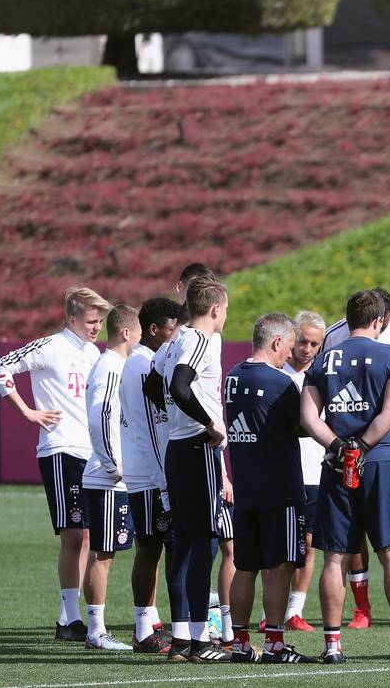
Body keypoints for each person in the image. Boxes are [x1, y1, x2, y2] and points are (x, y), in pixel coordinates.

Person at [301, 290, 390, 664]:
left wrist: (341, 447)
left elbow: (309, 418)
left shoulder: (324, 359)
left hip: (336, 462)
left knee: (334, 557)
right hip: (378, 461)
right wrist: (360, 446)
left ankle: (332, 645)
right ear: (379, 321)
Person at [0, 286, 109, 642]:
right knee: (74, 534)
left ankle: (68, 620)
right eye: (90, 320)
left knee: (87, 534)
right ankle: (69, 618)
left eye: (101, 320)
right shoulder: (51, 346)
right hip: (61, 449)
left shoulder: (95, 353)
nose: (96, 327)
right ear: (71, 318)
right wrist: (27, 411)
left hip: (91, 453)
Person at [224, 313, 315, 664]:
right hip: (281, 489)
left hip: (247, 487)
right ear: (277, 343)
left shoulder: (233, 376)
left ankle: (240, 643)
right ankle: (275, 643)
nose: (291, 355)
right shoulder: (279, 382)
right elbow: (305, 425)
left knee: (245, 565)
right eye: (290, 347)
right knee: (280, 565)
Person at [156, 275, 231, 662]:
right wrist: (208, 424)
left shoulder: (174, 342)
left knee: (185, 543)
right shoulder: (200, 340)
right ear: (216, 309)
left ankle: (182, 640)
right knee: (205, 543)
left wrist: (171, 421)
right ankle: (201, 641)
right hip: (198, 448)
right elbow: (180, 388)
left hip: (175, 449)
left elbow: (155, 384)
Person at [120, 296, 182, 653]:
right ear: (154, 329)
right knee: (157, 547)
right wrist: (163, 484)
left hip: (155, 473)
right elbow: (146, 431)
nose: (174, 338)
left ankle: (155, 627)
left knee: (161, 547)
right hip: (152, 476)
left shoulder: (148, 362)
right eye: (170, 331)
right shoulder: (142, 367)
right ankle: (150, 630)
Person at [81, 304, 141, 651]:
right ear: (126, 333)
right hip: (108, 479)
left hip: (119, 478)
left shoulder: (118, 366)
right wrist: (111, 464)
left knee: (110, 552)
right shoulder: (111, 367)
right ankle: (96, 631)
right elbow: (100, 416)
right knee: (103, 554)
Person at [282, 311, 326, 632]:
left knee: (309, 544)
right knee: (281, 546)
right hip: (283, 472)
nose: (307, 348)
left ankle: (294, 612)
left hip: (315, 472)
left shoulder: (324, 377)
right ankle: (275, 609)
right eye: (302, 341)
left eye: (314, 343)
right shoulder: (275, 374)